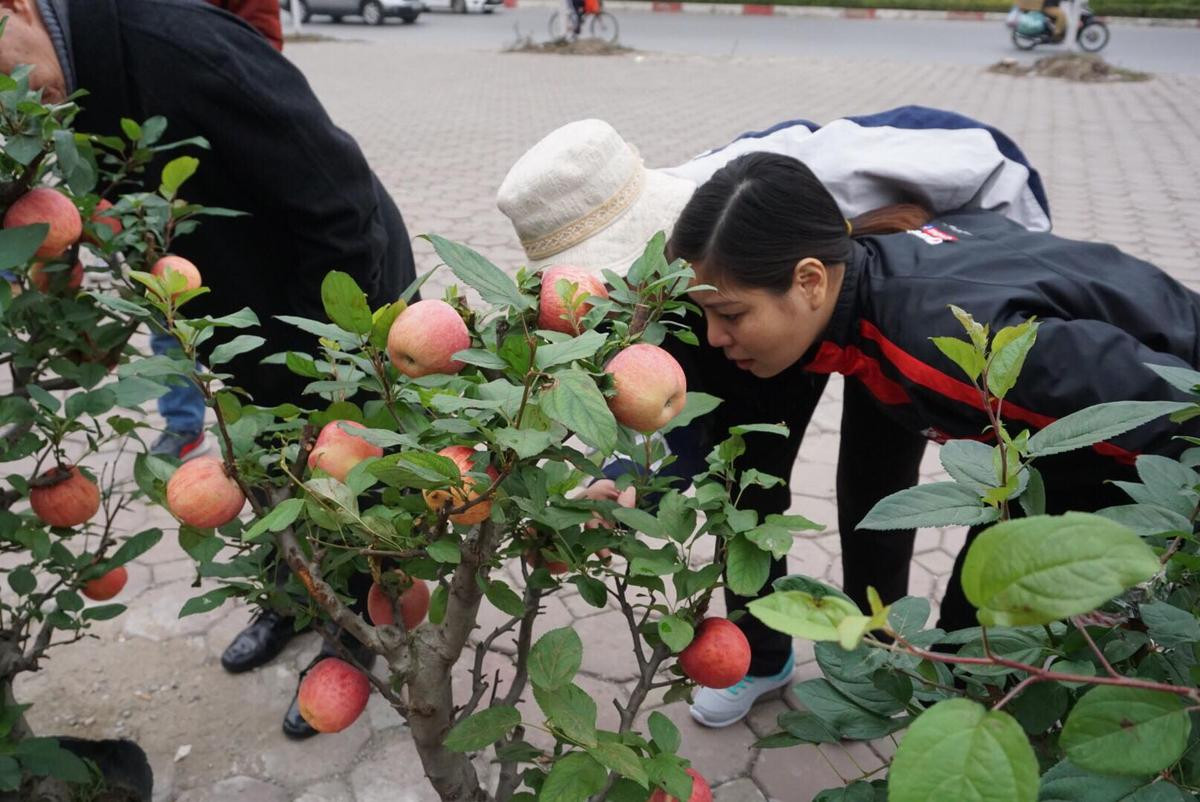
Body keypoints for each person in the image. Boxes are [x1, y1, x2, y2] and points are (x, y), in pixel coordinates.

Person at [497, 111, 1050, 727]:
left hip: (944, 252)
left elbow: (1014, 253)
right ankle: (761, 654)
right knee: (749, 465)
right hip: (778, 286)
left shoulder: (782, 207)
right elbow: (688, 404)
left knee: (879, 470)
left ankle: (900, 656)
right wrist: (632, 477)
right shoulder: (693, 262)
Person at [0, 0, 417, 739]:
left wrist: (324, 362)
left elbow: (341, 203)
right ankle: (291, 597)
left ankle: (352, 633)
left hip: (337, 296)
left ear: (13, 7)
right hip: (235, 314)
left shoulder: (181, 50)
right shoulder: (72, 82)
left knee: (350, 476)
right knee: (263, 466)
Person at [669, 150, 1200, 630]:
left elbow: (1170, 416)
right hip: (1044, 460)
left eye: (730, 314)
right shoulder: (877, 276)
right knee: (972, 627)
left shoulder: (943, 347)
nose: (715, 338)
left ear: (810, 281)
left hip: (1147, 441)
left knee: (978, 648)